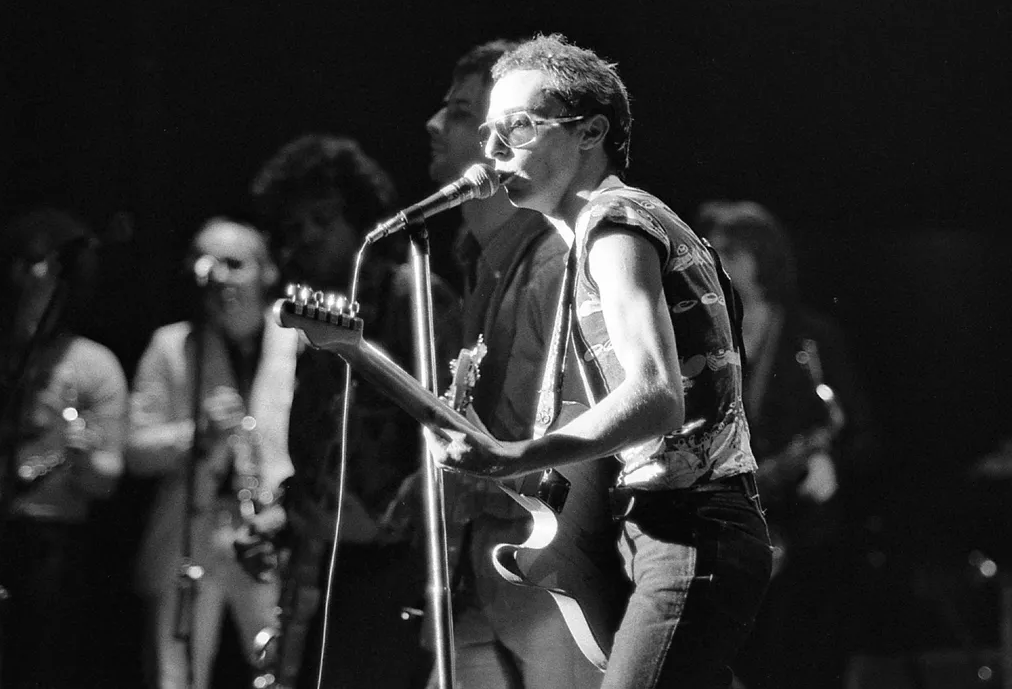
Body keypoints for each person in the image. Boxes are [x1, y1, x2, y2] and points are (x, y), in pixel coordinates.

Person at [426, 34, 774, 689]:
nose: (492, 150)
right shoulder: (613, 230)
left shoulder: (614, 222)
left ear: (591, 132)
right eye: (490, 132)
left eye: (518, 127)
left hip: (690, 530)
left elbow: (656, 395)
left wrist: (514, 456)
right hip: (666, 531)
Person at [421, 38, 603, 688]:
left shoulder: (556, 263)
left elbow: (570, 450)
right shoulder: (481, 263)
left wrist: (466, 476)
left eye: (459, 112)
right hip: (488, 579)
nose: (433, 125)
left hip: (548, 588)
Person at [251, 134, 461, 689]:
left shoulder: (411, 294)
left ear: (358, 216)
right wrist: (290, 511)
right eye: (295, 227)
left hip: (395, 564)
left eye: (323, 219)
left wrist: (389, 518)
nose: (307, 237)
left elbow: (453, 424)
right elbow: (320, 436)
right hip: (329, 560)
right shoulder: (321, 314)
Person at [695, 200, 880, 689]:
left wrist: (830, 461)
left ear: (764, 257)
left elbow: (858, 431)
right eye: (714, 251)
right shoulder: (704, 337)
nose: (718, 261)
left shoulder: (813, 338)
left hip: (801, 536)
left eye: (731, 251)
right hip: (731, 531)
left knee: (802, 663)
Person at [127, 215, 298, 689]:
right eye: (206, 263)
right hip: (192, 528)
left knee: (281, 667)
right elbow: (134, 448)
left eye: (235, 264)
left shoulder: (298, 342)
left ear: (267, 271)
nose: (219, 276)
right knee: (176, 674)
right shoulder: (171, 345)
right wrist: (195, 434)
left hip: (270, 531)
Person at [0, 207, 128, 689]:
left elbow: (106, 480)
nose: (22, 277)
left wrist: (81, 456)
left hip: (51, 545)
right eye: (17, 263)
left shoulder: (94, 364)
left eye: (36, 264)